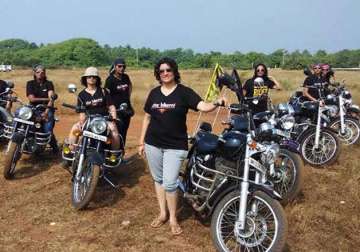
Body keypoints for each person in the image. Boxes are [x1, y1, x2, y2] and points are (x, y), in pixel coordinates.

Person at [138, 57, 226, 235]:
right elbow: (147, 117)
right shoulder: (154, 93)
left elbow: (202, 106)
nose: (165, 73)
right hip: (152, 143)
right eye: (161, 71)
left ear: (174, 71)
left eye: (168, 70)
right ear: (158, 74)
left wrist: (217, 102)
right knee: (158, 180)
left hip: (175, 145)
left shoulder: (184, 92)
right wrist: (141, 141)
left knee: (170, 183)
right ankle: (163, 213)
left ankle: (173, 219)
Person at [67, 67, 120, 150]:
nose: (91, 78)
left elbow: (111, 106)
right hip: (89, 120)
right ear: (85, 79)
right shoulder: (82, 95)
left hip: (104, 120)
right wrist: (81, 123)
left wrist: (114, 118)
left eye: (94, 77)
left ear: (97, 79)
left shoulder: (103, 91)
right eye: (89, 77)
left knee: (114, 131)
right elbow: (82, 112)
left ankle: (114, 154)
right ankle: (71, 154)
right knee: (74, 128)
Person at [26, 65, 58, 153]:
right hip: (33, 108)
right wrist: (47, 99)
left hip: (46, 108)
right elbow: (31, 99)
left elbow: (52, 99)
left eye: (42, 72)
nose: (40, 74)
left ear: (45, 73)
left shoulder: (49, 83)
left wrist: (46, 112)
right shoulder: (30, 83)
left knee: (47, 128)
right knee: (25, 123)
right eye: (38, 72)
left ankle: (54, 147)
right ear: (34, 73)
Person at [105, 58, 133, 149]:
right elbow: (106, 95)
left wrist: (127, 98)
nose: (122, 68)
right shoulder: (110, 80)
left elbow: (130, 86)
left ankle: (121, 154)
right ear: (115, 67)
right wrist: (111, 110)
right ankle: (112, 154)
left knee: (124, 132)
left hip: (126, 110)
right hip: (116, 111)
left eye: (123, 66)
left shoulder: (126, 77)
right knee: (116, 133)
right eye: (119, 66)